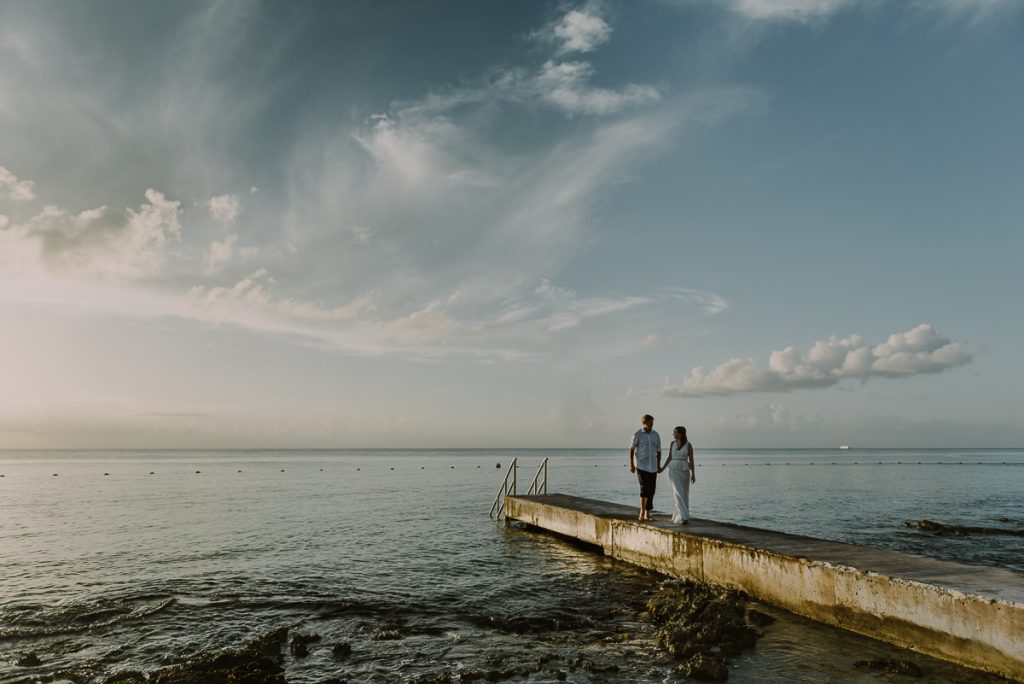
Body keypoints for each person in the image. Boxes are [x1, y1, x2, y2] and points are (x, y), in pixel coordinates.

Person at [659, 426, 695, 524]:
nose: (673, 434)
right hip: (673, 470)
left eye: (675, 432)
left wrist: (693, 474)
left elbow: (691, 460)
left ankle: (680, 515)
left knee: (684, 493)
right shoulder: (672, 444)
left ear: (680, 434)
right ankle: (683, 517)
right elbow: (670, 457)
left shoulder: (688, 445)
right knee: (677, 492)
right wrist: (662, 468)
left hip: (684, 470)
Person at [629, 414, 661, 521]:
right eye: (650, 422)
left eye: (652, 422)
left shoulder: (656, 435)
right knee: (644, 487)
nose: (652, 424)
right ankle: (642, 511)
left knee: (652, 489)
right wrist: (631, 464)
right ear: (644, 422)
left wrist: (659, 465)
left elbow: (659, 450)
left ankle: (647, 513)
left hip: (653, 466)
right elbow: (632, 449)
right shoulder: (637, 434)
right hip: (641, 465)